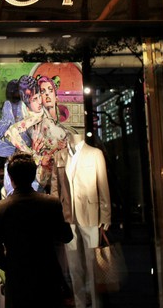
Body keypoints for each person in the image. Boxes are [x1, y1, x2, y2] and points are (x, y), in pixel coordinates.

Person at [0, 152, 72, 308]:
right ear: (33, 176)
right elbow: (66, 236)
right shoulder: (51, 203)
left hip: (17, 279)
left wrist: (11, 265)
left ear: (10, 179)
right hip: (47, 276)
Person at [51, 127, 111, 308]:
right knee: (74, 266)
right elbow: (55, 188)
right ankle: (79, 303)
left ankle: (95, 303)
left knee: (93, 264)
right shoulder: (59, 156)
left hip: (90, 214)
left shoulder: (95, 154)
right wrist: (55, 214)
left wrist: (106, 214)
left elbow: (103, 184)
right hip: (67, 216)